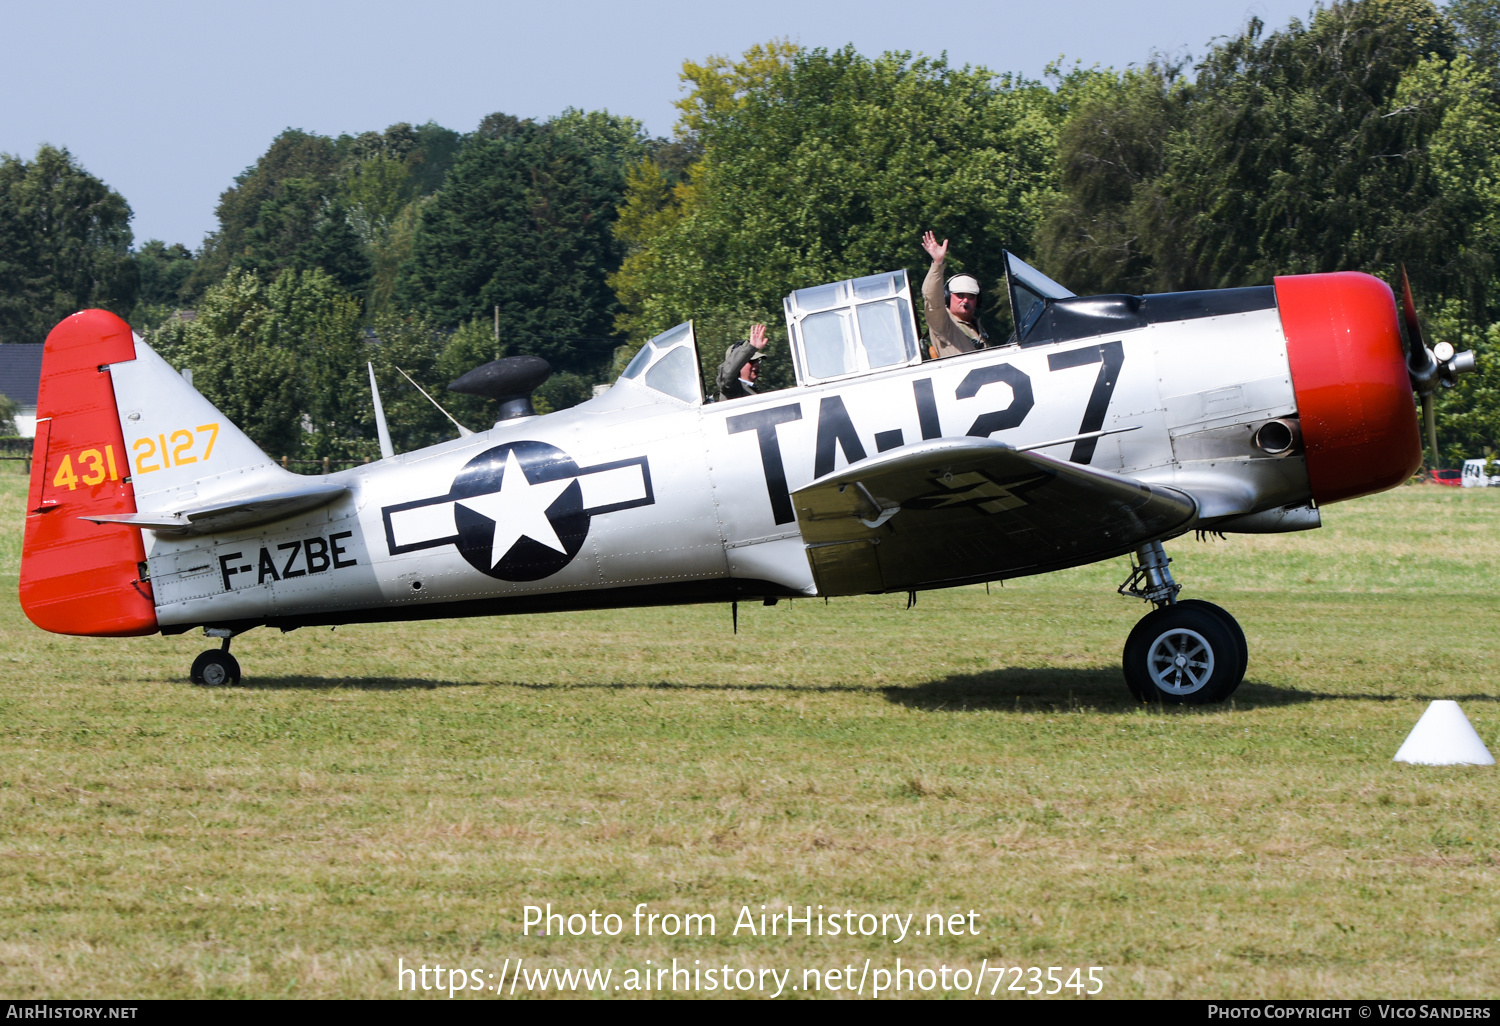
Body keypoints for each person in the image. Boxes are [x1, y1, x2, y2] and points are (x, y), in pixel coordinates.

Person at [920, 230, 990, 359]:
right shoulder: (943, 323)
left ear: (977, 300)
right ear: (947, 296)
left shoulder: (976, 327)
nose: (965, 300)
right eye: (960, 295)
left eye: (971, 296)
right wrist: (938, 263)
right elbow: (931, 296)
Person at [716, 322, 768, 401]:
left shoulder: (751, 389)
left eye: (758, 361)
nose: (756, 364)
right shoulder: (731, 389)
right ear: (738, 365)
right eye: (751, 361)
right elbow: (726, 375)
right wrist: (750, 348)